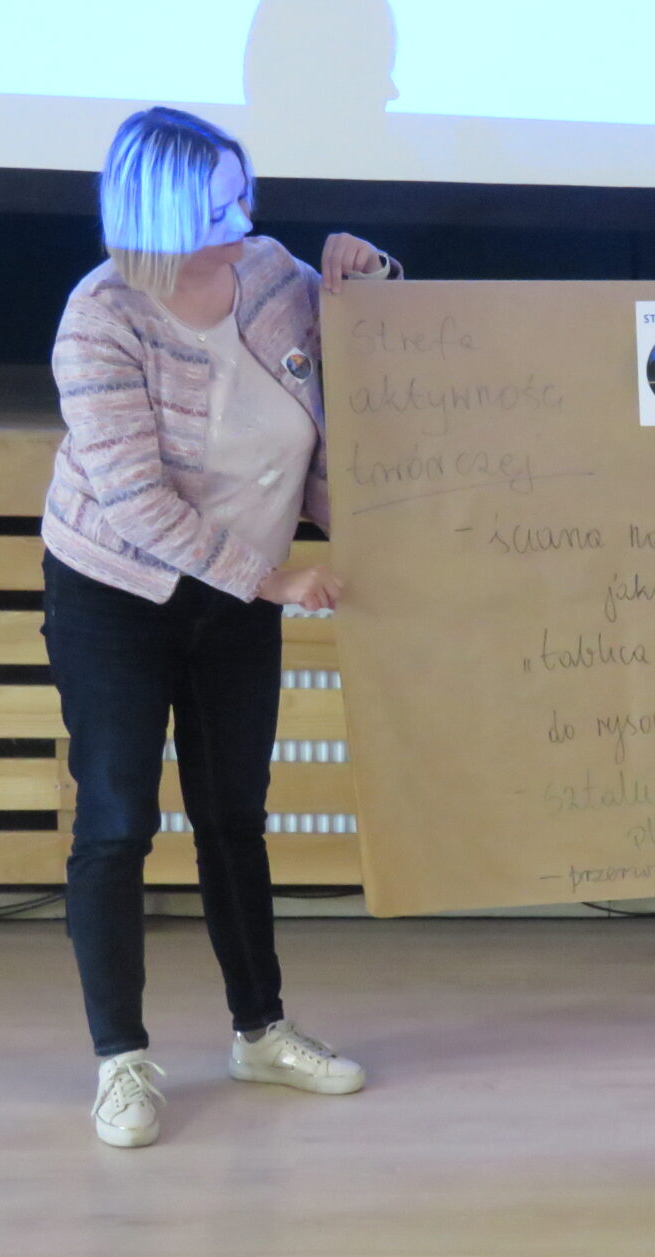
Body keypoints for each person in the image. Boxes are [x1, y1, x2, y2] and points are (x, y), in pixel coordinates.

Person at [43, 107, 403, 1147]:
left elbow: (390, 360)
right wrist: (273, 579)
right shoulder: (99, 320)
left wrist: (373, 275)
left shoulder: (271, 273)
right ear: (155, 215)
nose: (243, 221)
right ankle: (121, 1061)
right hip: (117, 592)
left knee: (234, 814)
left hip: (240, 594)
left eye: (245, 195)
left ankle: (261, 1031)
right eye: (217, 208)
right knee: (117, 821)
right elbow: (136, 504)